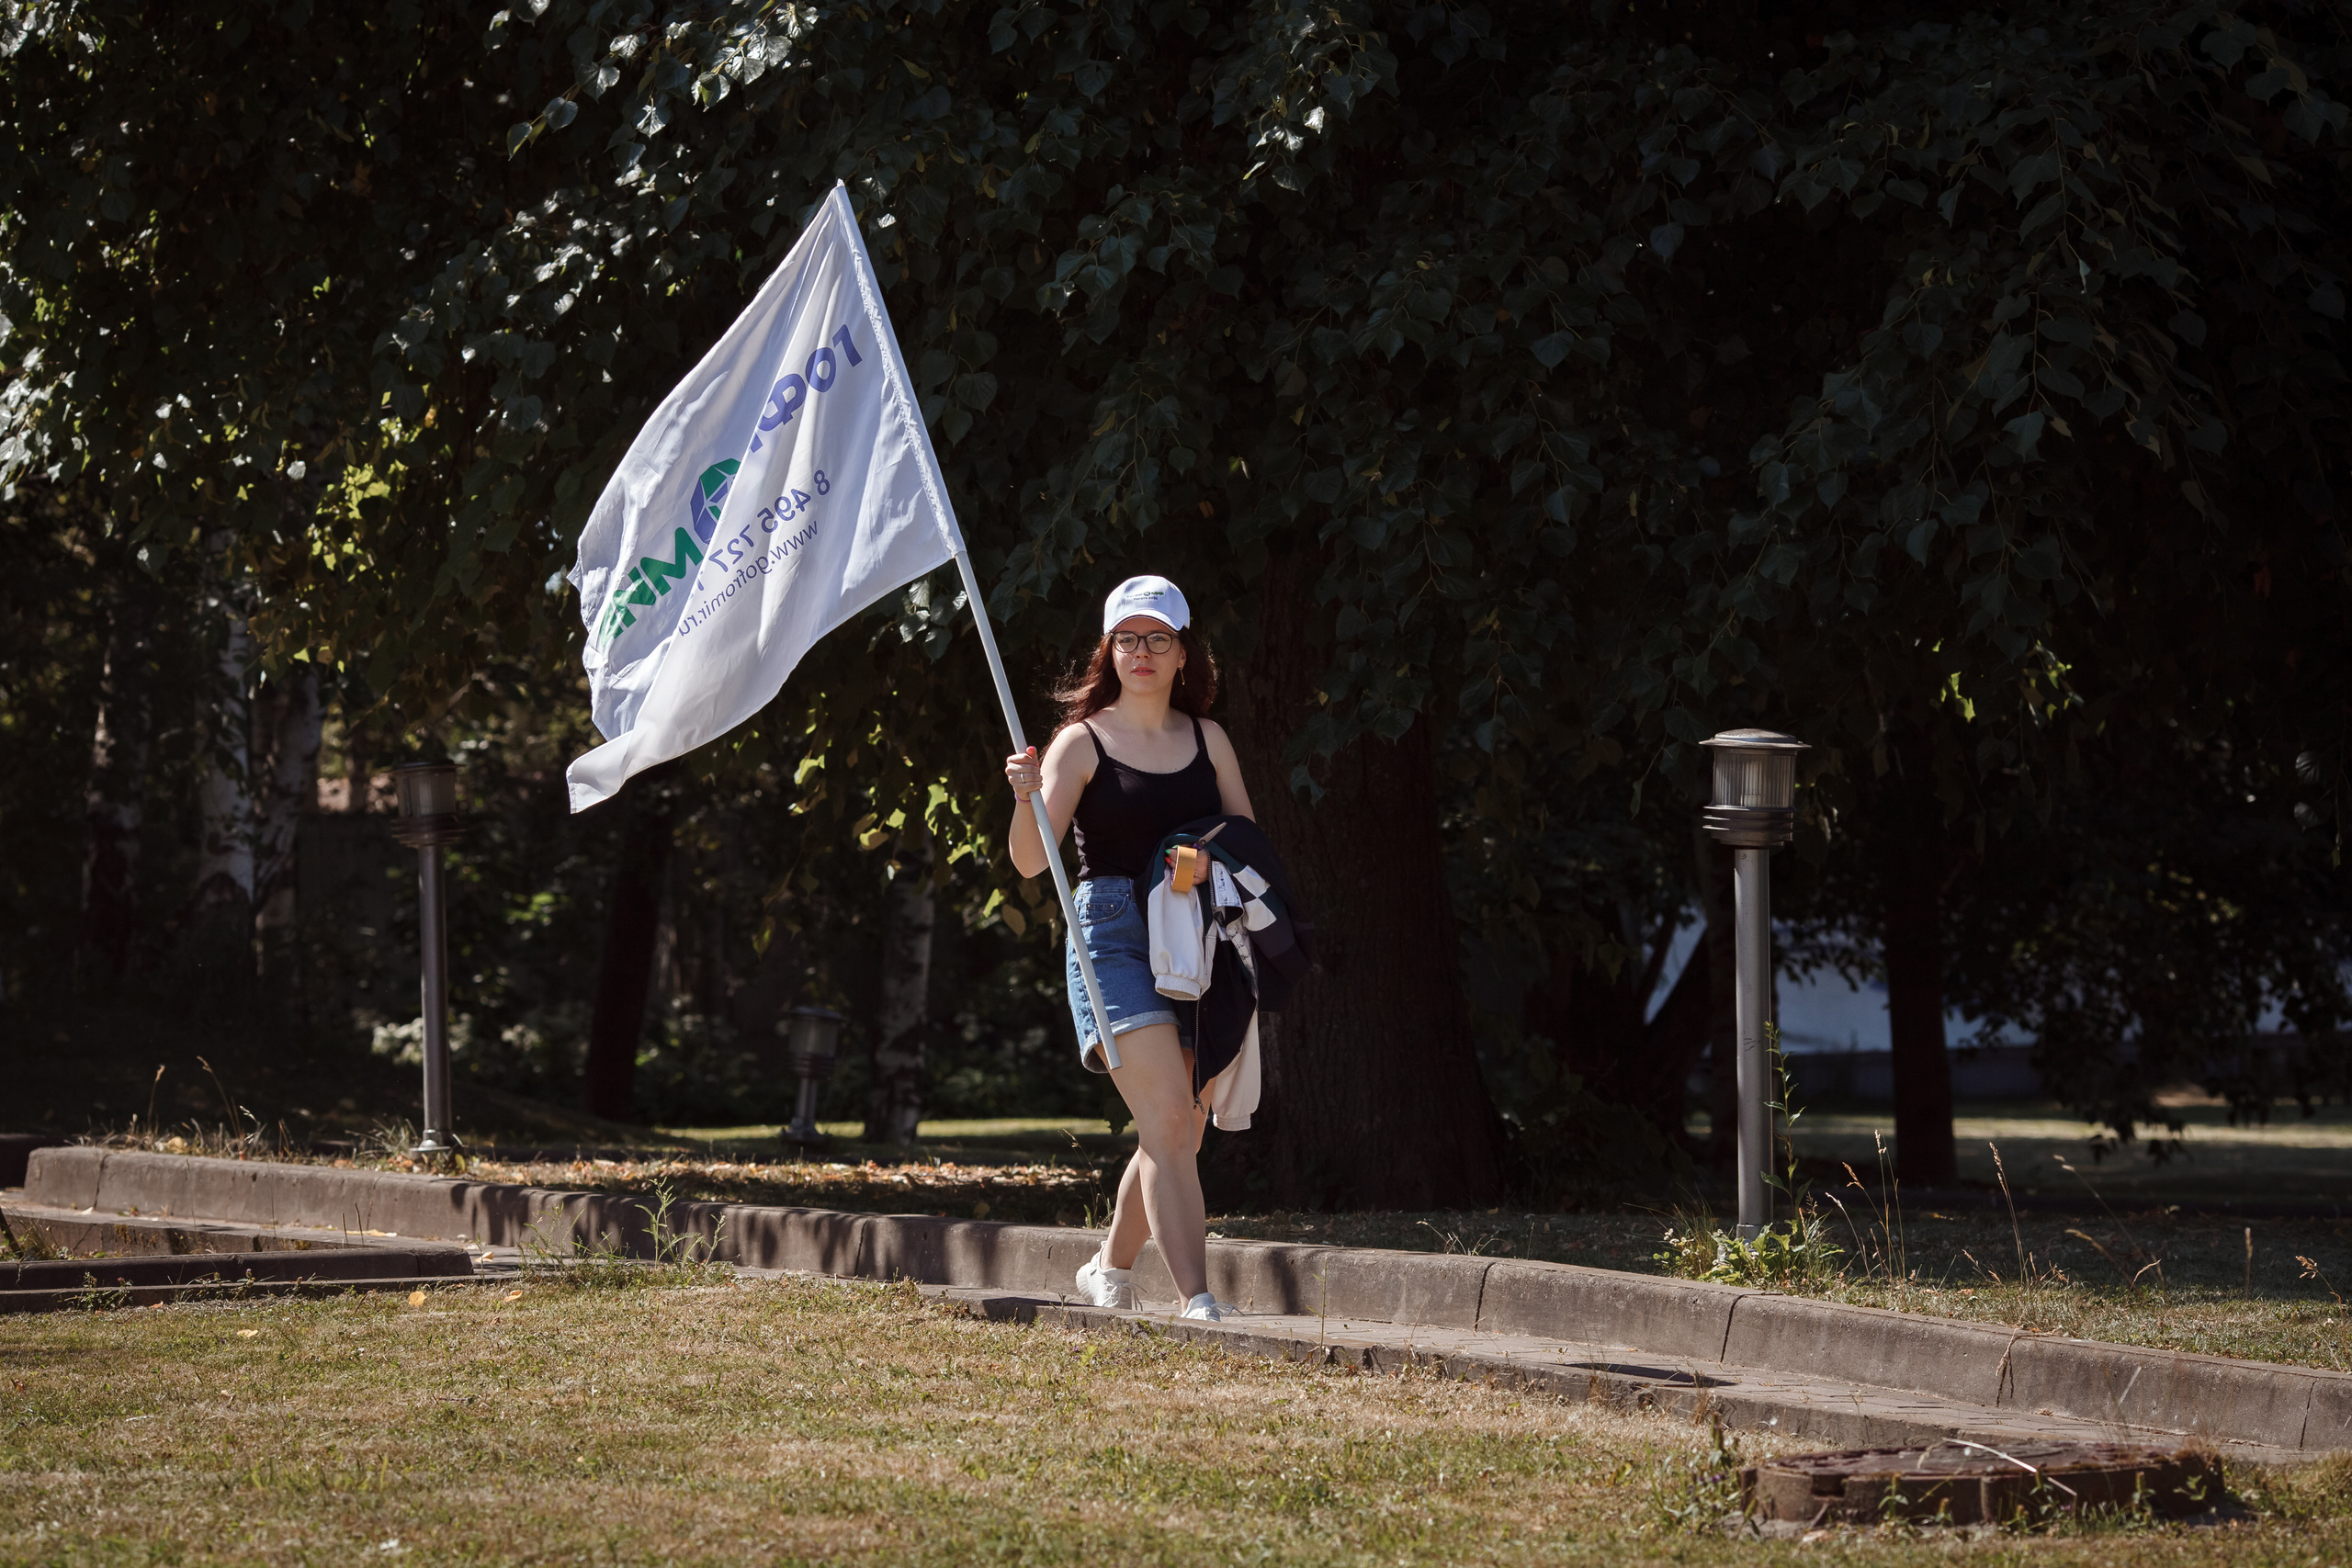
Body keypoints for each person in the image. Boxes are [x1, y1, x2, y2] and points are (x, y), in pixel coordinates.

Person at [1003, 574, 1254, 1322]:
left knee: (1180, 1128)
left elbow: (1248, 845)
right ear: (1109, 651)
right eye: (1127, 638)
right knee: (1171, 1122)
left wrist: (1213, 862)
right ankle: (1198, 1299)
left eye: (1159, 638)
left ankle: (1106, 1266)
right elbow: (1027, 860)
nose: (1141, 652)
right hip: (1112, 933)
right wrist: (1024, 796)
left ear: (1183, 654)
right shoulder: (1082, 742)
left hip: (1197, 933)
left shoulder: (1210, 740)